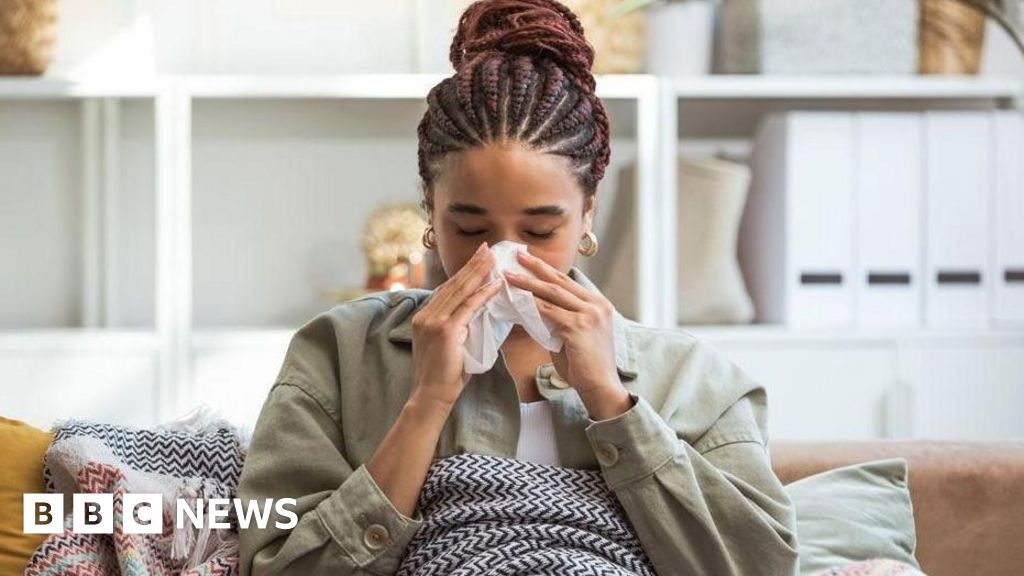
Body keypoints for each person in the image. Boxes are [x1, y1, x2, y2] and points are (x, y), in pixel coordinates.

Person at [236, 1, 799, 574]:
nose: (502, 259)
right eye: (471, 228)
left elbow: (761, 566)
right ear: (430, 212)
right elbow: (276, 566)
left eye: (539, 230)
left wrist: (611, 401)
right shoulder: (337, 354)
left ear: (587, 217)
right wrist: (426, 402)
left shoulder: (695, 380)